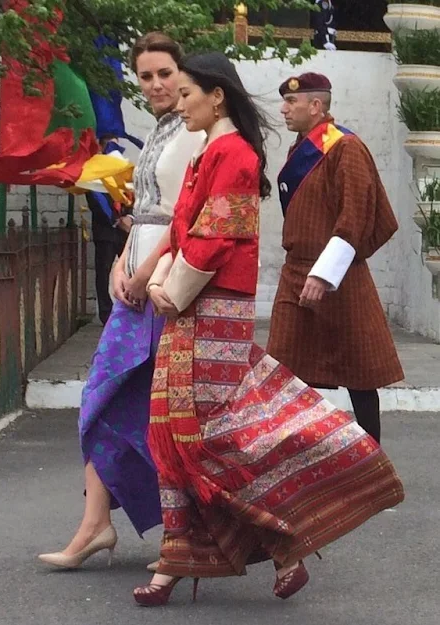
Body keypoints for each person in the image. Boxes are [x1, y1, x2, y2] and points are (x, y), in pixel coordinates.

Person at [133, 52, 404, 607]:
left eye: (186, 93)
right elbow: (184, 231)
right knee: (202, 422)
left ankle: (344, 466)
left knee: (240, 422)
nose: (174, 102)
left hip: (309, 279)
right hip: (239, 288)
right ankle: (203, 551)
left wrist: (169, 288)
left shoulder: (336, 147)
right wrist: (158, 279)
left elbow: (354, 218)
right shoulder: (220, 153)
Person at [38, 33, 205, 569]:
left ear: (185, 74)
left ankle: (198, 530)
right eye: (146, 76)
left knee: (152, 408)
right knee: (110, 400)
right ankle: (96, 523)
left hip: (166, 289)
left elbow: (190, 217)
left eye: (165, 73)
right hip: (137, 279)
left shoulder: (198, 132)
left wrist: (149, 267)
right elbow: (151, 210)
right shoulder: (161, 128)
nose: (156, 84)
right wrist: (120, 259)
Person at [267, 73, 404, 445]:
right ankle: (293, 449)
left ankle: (370, 452)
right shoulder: (302, 148)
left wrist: (325, 274)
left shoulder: (345, 147)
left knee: (359, 371)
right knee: (285, 366)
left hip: (339, 274)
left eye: (291, 103)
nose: (284, 109)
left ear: (316, 106)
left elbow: (355, 214)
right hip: (296, 270)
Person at [85, 136, 132, 325]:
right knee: (103, 272)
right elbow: (95, 200)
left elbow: (131, 192)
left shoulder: (121, 166)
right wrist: (115, 221)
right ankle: (106, 314)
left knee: (130, 269)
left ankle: (129, 308)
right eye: (110, 140)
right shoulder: (95, 169)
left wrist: (129, 218)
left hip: (124, 230)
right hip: (106, 231)